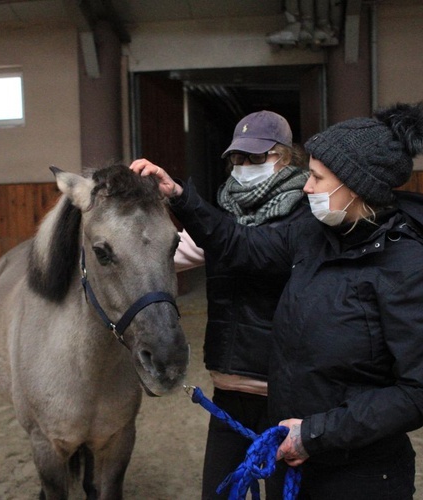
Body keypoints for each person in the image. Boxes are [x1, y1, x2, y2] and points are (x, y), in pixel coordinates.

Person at [131, 102, 423, 499]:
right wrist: (181, 197)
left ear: (354, 185)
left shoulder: (411, 269)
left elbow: (422, 391)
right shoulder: (313, 234)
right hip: (296, 450)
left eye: (318, 178)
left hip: (358, 473)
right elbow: (240, 244)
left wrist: (315, 434)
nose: (306, 186)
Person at [169, 110, 310, 499]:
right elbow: (175, 250)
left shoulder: (304, 215)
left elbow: (239, 246)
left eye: (256, 157)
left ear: (284, 156)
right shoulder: (223, 216)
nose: (244, 166)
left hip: (284, 393)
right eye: (238, 158)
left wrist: (183, 199)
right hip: (229, 390)